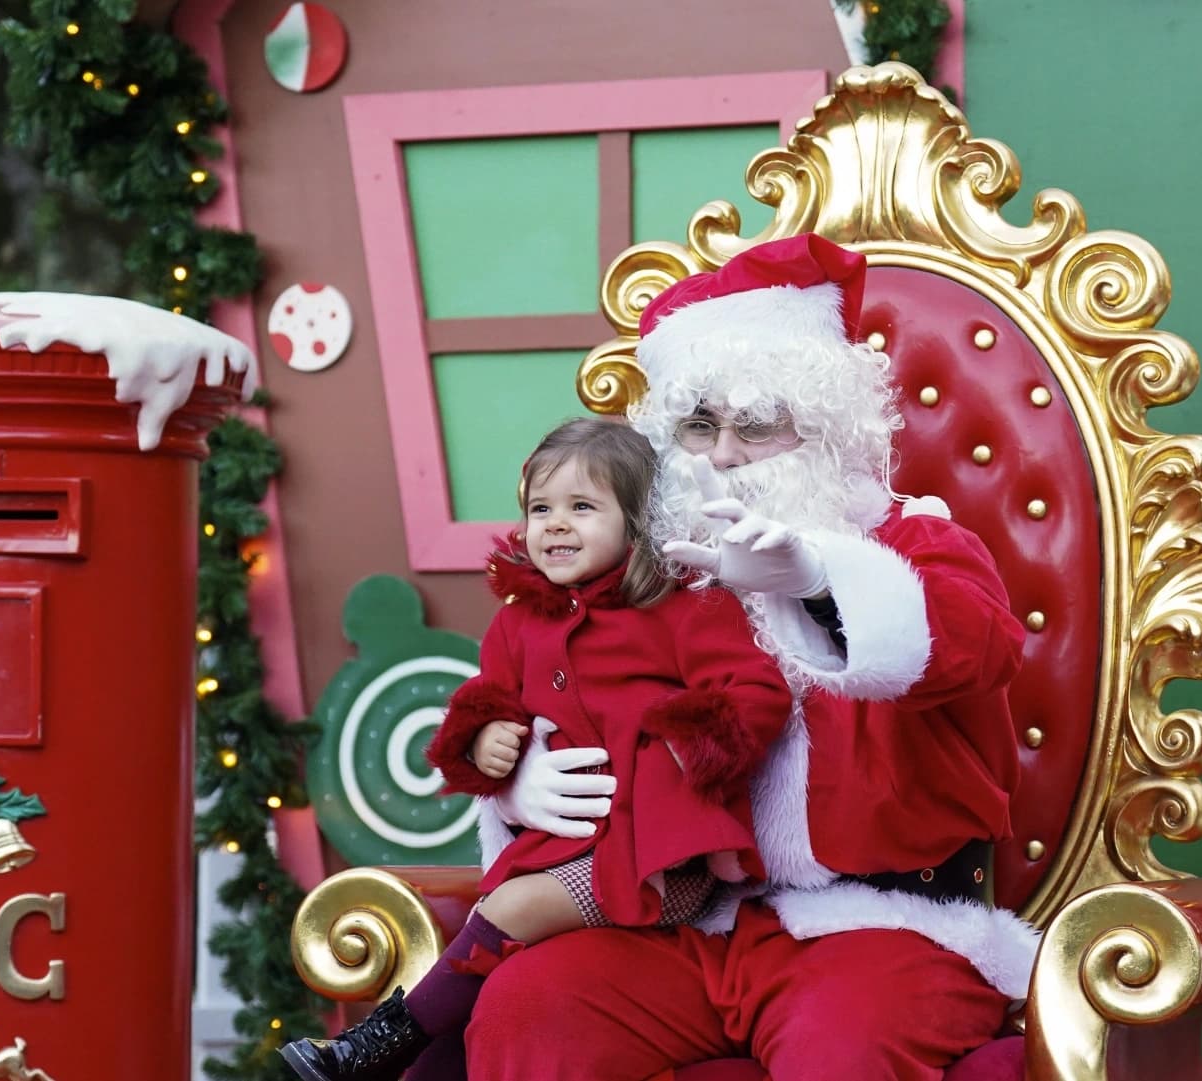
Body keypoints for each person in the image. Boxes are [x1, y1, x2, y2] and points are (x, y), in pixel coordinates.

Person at [461, 234, 1037, 1081]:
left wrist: (817, 582)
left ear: (827, 430)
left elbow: (978, 644)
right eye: (698, 426)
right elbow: (550, 690)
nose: (723, 455)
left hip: (883, 928)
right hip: (687, 923)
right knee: (529, 1011)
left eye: (758, 424)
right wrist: (520, 782)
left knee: (840, 1052)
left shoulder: (911, 540)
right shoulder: (645, 580)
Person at [278, 419, 792, 1081]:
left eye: (582, 507)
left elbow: (756, 691)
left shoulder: (683, 607)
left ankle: (372, 1047)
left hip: (663, 862)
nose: (554, 524)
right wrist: (491, 740)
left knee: (510, 911)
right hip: (567, 851)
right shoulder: (520, 623)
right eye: (540, 509)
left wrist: (681, 749)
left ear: (636, 523)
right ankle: (402, 1059)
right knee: (494, 984)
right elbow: (491, 697)